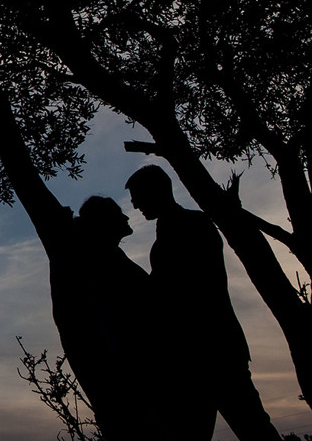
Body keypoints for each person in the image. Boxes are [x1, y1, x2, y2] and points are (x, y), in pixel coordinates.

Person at [126, 164, 283, 441]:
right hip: (205, 352)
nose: (134, 204)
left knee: (252, 429)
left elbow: (178, 287)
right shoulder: (177, 227)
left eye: (138, 196)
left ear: (156, 191)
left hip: (210, 351)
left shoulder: (190, 226)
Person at [49, 196, 171, 440]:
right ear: (104, 222)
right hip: (129, 373)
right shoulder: (102, 260)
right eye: (119, 214)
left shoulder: (108, 256)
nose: (127, 216)